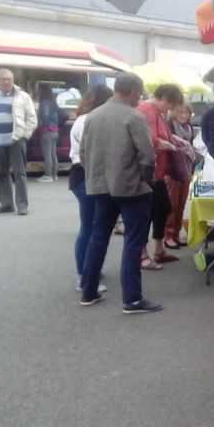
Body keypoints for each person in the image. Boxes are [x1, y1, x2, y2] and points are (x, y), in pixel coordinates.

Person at [79, 72, 162, 314]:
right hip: (130, 188)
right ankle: (132, 299)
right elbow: (147, 155)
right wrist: (146, 181)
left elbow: (83, 153)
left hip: (100, 186)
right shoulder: (133, 116)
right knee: (133, 242)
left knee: (98, 238)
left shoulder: (92, 116)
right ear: (134, 91)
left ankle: (88, 291)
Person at [69, 84, 114, 294]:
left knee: (90, 226)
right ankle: (83, 276)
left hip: (81, 175)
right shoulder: (89, 120)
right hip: (85, 175)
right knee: (90, 227)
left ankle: (89, 269)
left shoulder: (82, 119)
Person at [137, 84, 185, 270]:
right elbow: (151, 140)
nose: (170, 109)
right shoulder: (147, 111)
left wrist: (175, 140)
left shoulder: (157, 113)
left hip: (158, 174)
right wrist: (171, 147)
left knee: (163, 208)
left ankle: (158, 250)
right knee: (146, 214)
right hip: (149, 173)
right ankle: (142, 255)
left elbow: (164, 135)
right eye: (171, 105)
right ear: (163, 98)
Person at [0, 68, 37, 216]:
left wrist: (24, 135)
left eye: (9, 79)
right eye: (3, 79)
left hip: (15, 141)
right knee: (1, 174)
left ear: (13, 80)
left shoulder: (22, 96)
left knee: (20, 174)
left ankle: (22, 205)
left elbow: (32, 118)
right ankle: (6, 204)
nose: (7, 82)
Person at [163, 103, 197, 250]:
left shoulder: (189, 129)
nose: (184, 115)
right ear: (174, 113)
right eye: (181, 112)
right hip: (173, 171)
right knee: (172, 204)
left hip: (187, 169)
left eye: (187, 113)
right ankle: (168, 236)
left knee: (181, 204)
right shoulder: (169, 127)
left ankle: (176, 234)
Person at [35, 83, 68, 183]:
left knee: (47, 154)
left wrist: (41, 123)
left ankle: (48, 175)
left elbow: (45, 114)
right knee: (53, 154)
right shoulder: (53, 102)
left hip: (47, 131)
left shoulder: (44, 102)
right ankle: (54, 175)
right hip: (55, 131)